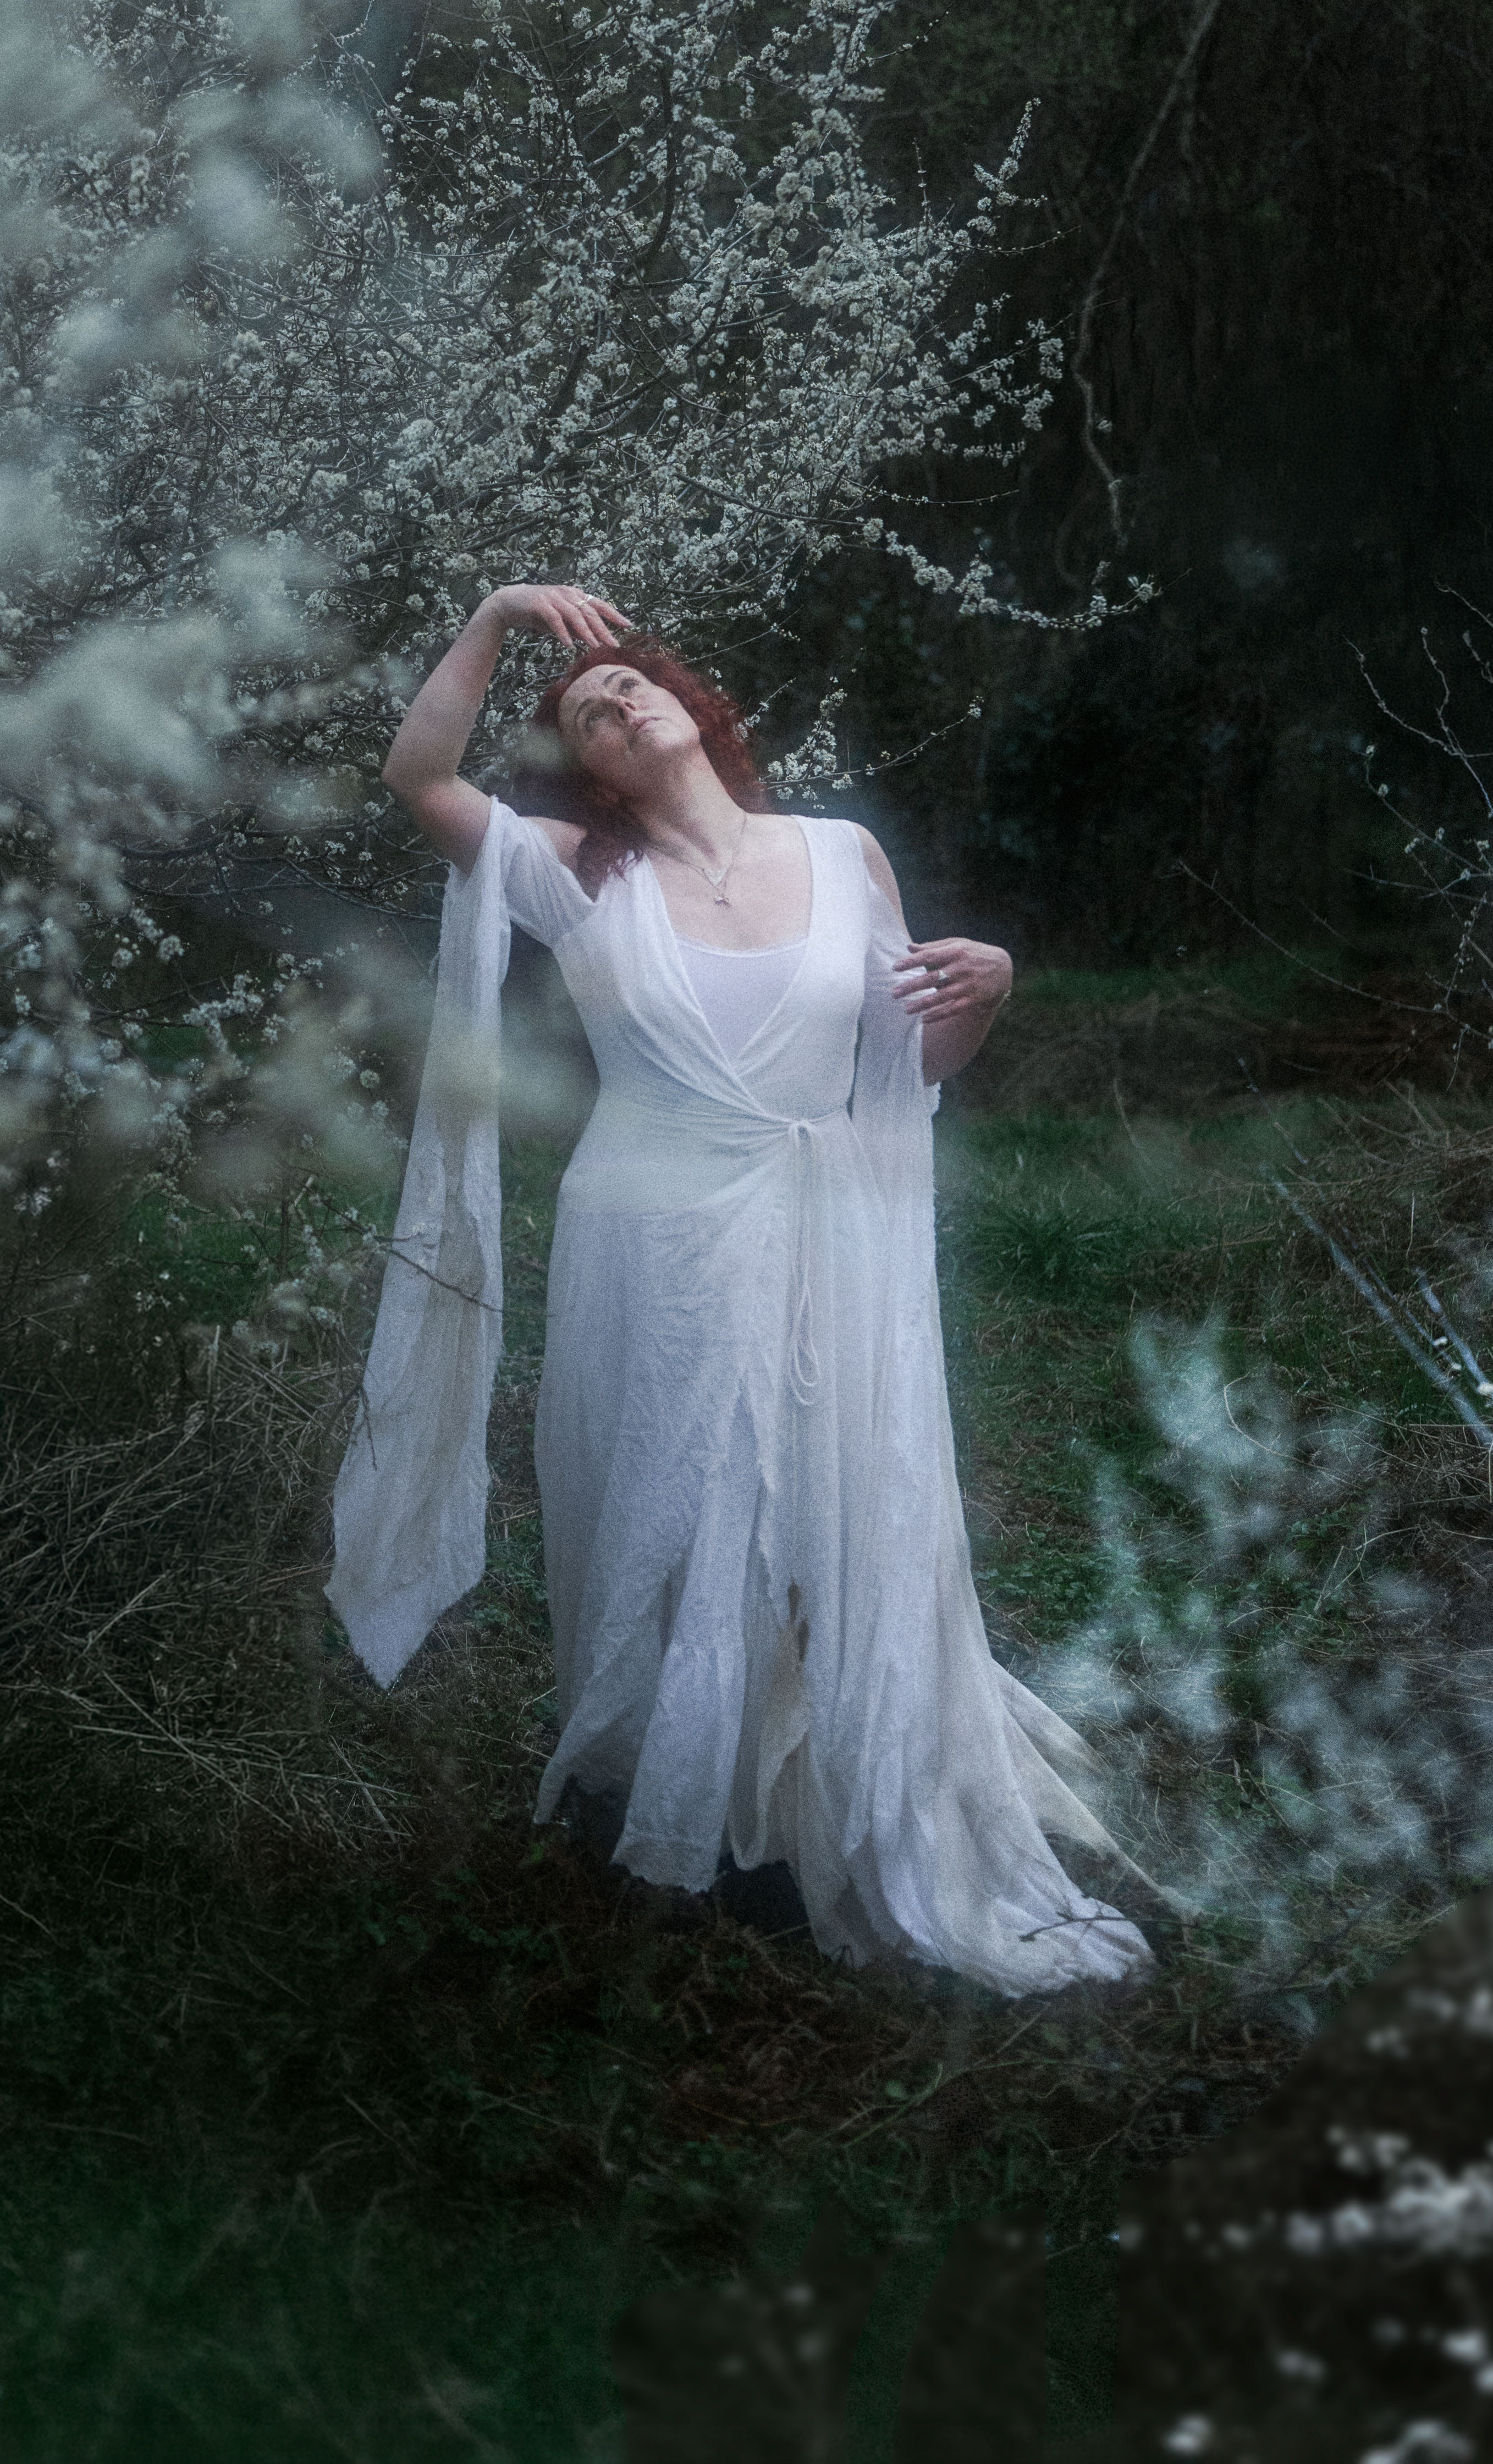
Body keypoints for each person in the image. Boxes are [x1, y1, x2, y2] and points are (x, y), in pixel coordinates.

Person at [328, 579, 1149, 1994]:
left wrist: (987, 996)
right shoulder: (569, 871)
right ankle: (682, 1795)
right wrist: (497, 613)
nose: (619, 700)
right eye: (589, 709)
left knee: (831, 1493)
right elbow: (416, 774)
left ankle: (821, 1771)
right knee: (678, 1497)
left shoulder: (839, 851)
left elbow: (899, 1075)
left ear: (695, 709)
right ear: (582, 766)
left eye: (634, 683)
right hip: (649, 1235)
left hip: (829, 1226)